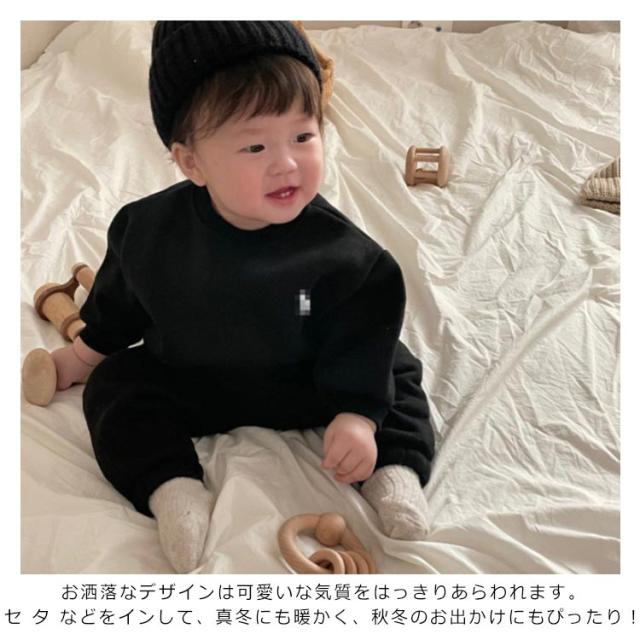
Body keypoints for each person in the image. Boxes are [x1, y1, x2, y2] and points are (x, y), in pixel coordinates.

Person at [51, 21, 435, 573]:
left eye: (303, 137)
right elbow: (119, 303)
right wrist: (84, 355)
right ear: (191, 162)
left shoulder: (347, 257)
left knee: (393, 370)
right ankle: (173, 487)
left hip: (311, 377)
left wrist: (357, 414)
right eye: (255, 145)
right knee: (116, 387)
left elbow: (361, 335)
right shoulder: (148, 232)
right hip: (194, 378)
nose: (286, 163)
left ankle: (394, 474)